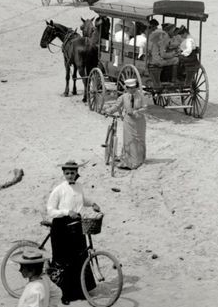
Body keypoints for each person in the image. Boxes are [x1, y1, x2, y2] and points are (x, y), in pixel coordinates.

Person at [46, 161, 101, 302]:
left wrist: (93, 203)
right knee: (64, 260)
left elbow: (82, 200)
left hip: (77, 226)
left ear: (76, 173)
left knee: (79, 258)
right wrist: (66, 212)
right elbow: (50, 210)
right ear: (64, 174)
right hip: (61, 227)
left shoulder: (79, 187)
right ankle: (65, 294)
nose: (70, 175)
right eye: (67, 173)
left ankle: (81, 291)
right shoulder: (59, 189)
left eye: (73, 173)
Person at [104, 77, 147, 169]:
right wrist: (109, 111)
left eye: (134, 88)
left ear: (136, 87)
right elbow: (116, 106)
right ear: (126, 88)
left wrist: (136, 112)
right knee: (129, 140)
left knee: (139, 140)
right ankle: (128, 161)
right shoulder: (123, 97)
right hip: (128, 121)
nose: (132, 90)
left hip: (139, 121)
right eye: (130, 88)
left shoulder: (141, 96)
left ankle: (138, 160)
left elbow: (145, 108)